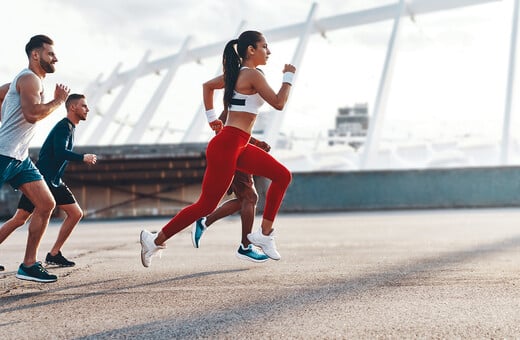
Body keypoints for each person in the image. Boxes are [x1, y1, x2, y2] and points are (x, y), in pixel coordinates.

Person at [140, 30, 295, 267]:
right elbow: (279, 103)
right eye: (265, 46)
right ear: (251, 50)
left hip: (238, 144)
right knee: (206, 205)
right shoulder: (252, 75)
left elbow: (207, 86)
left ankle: (263, 235)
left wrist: (213, 118)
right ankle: (155, 239)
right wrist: (288, 78)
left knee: (282, 176)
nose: (269, 51)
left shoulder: (237, 75)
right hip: (227, 145)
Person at [0, 35, 70, 282]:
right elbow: (31, 114)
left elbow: (2, 95)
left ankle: (28, 265)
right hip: (3, 154)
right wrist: (58, 101)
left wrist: (5, 116)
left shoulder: (25, 80)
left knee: (46, 204)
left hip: (19, 157)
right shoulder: (29, 78)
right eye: (50, 53)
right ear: (36, 55)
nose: (55, 58)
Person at [0, 94, 96, 271]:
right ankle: (49, 255)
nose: (87, 109)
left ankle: (53, 254)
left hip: (52, 180)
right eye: (84, 106)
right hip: (44, 179)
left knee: (20, 219)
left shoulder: (69, 127)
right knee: (73, 213)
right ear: (73, 108)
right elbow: (60, 152)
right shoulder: (64, 127)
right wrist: (83, 157)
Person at [191, 109, 271, 263]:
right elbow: (224, 132)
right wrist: (257, 143)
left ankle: (205, 221)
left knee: (244, 200)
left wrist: (256, 144)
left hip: (238, 153)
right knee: (250, 197)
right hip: (233, 153)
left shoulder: (243, 102)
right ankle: (245, 247)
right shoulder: (234, 104)